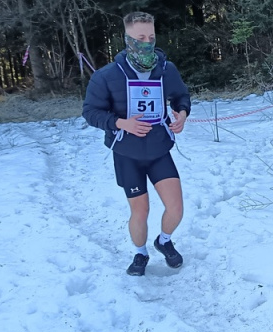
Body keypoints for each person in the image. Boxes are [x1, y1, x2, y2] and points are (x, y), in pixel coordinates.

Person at [82, 11, 191, 276]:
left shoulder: (165, 68)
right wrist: (121, 123)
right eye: (140, 37)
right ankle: (140, 253)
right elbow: (91, 112)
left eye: (151, 37)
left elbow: (181, 95)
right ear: (127, 39)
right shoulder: (107, 75)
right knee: (140, 211)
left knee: (176, 207)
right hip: (127, 152)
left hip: (158, 149)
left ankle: (164, 241)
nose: (147, 42)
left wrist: (182, 114)